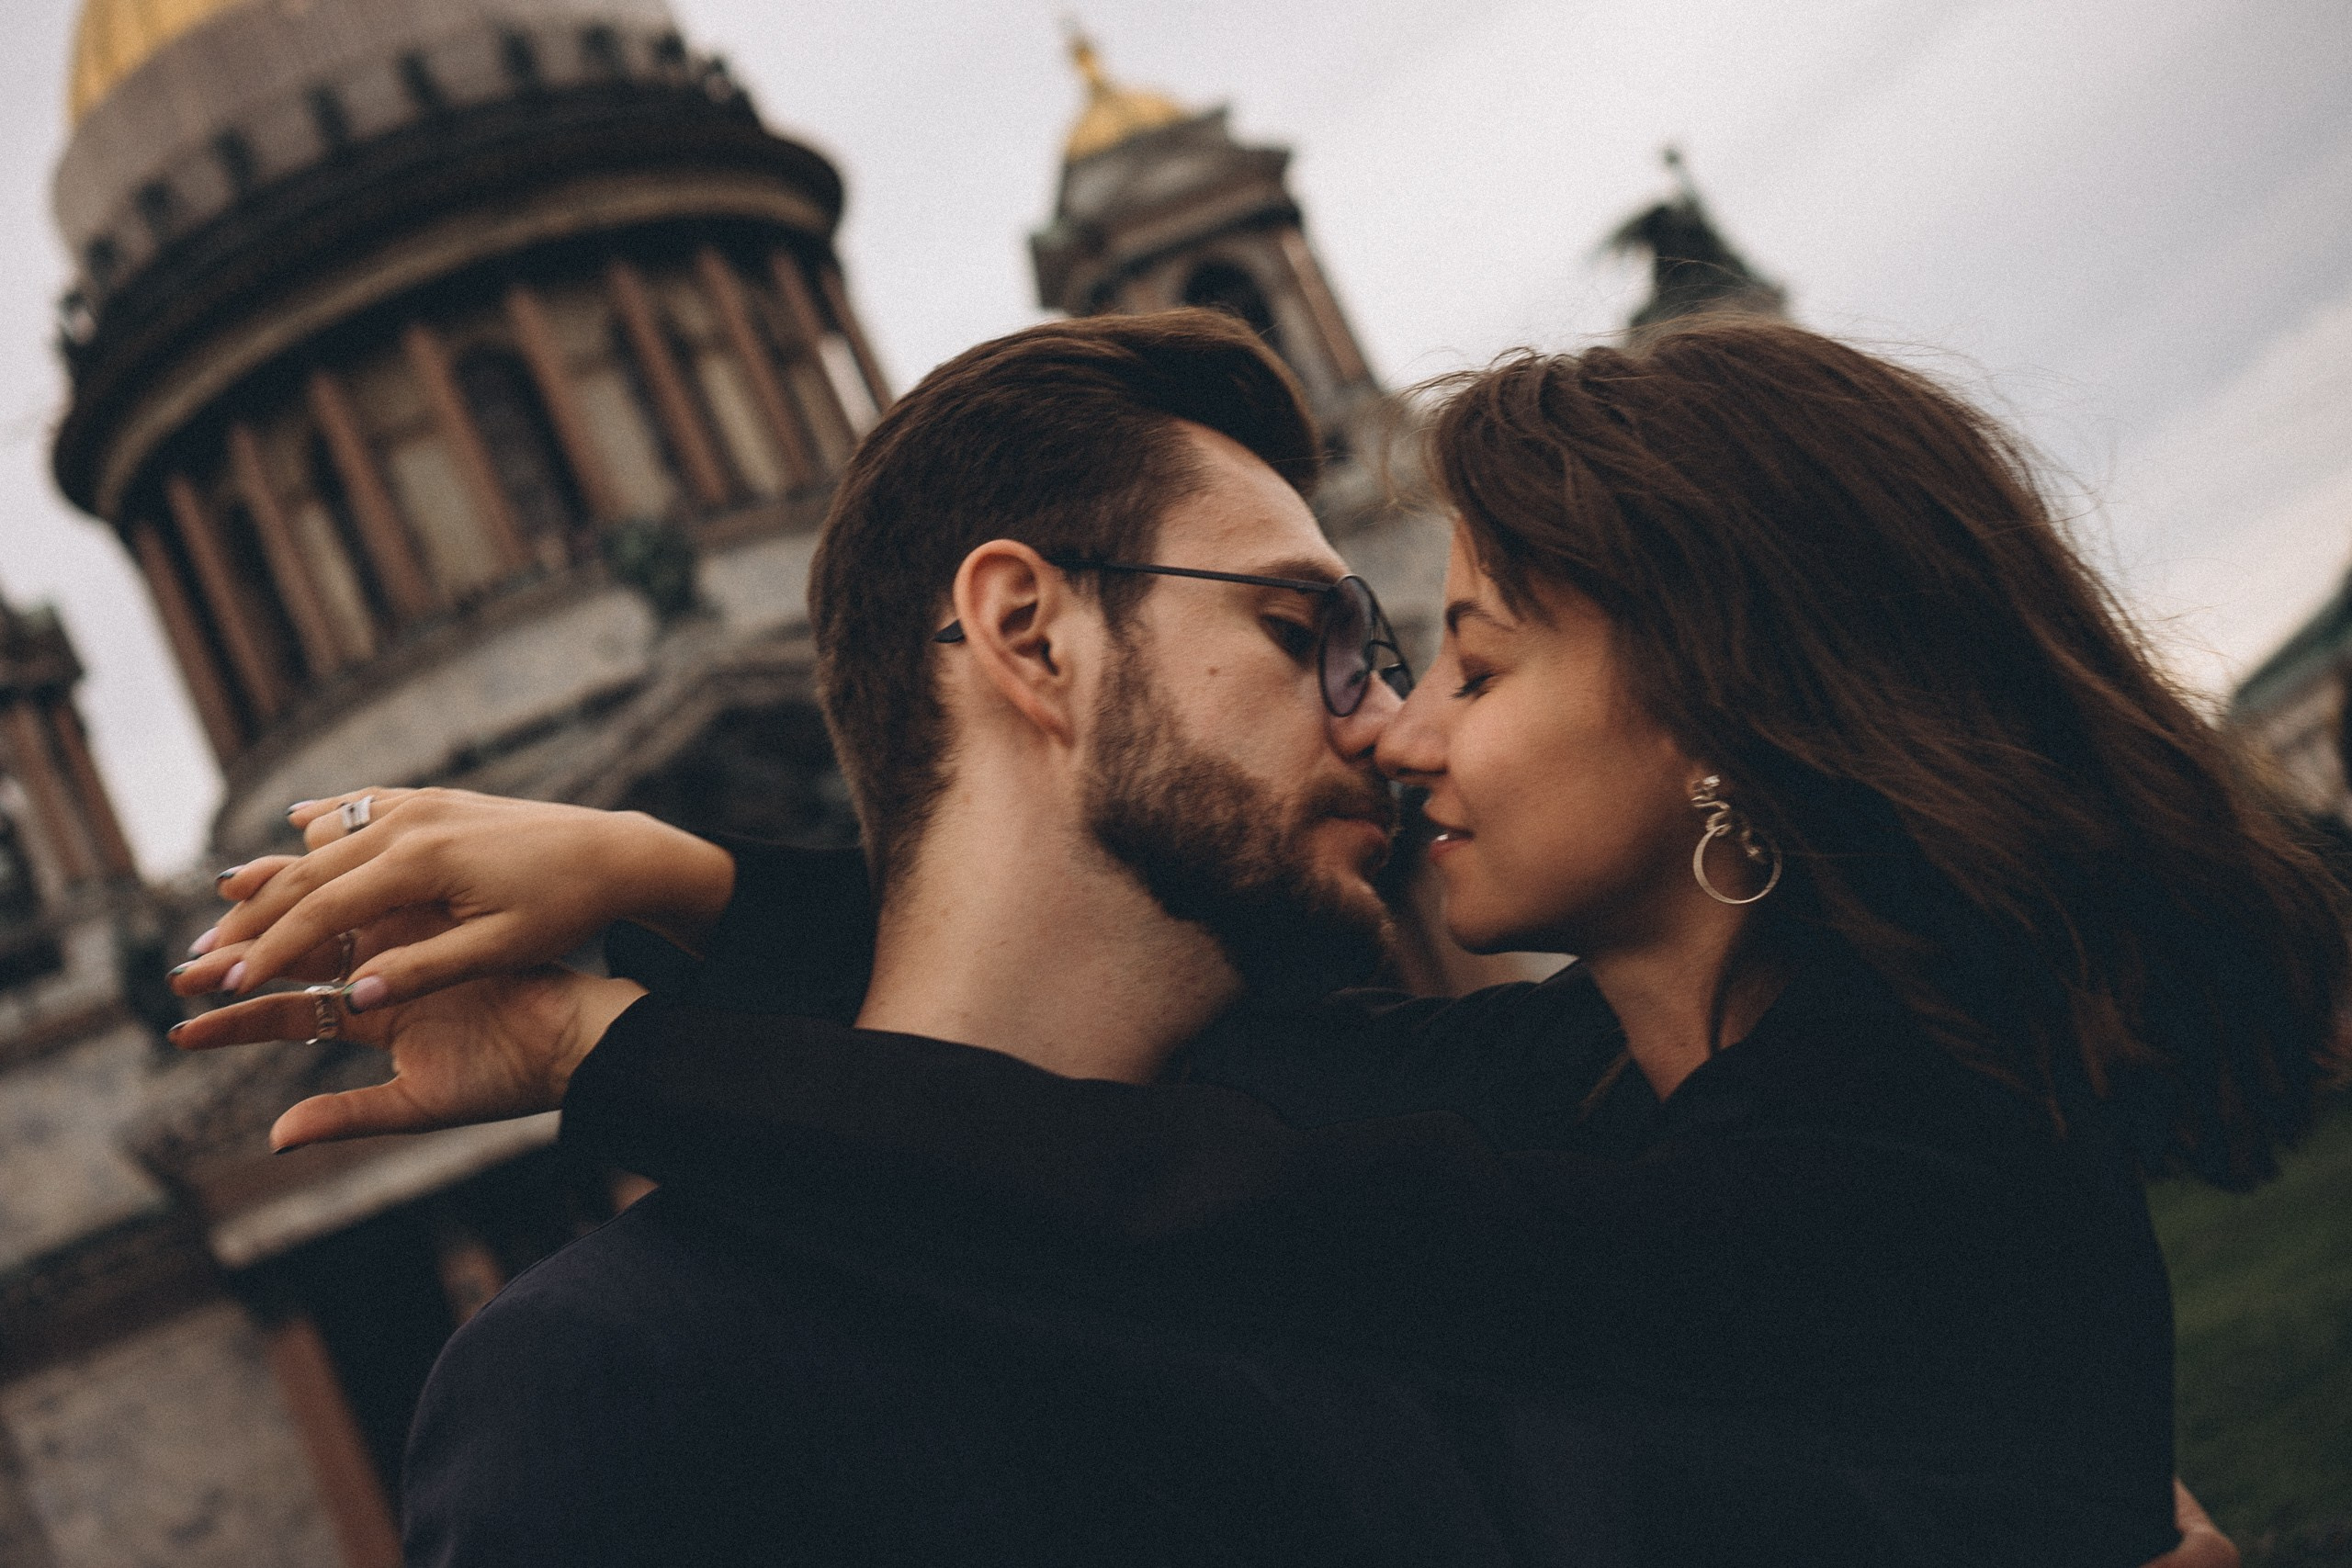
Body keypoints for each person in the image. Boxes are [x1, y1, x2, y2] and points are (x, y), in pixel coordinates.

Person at [169, 317, 2305, 1565]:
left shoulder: (1691, 1162)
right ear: (1023, 628)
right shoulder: (604, 1402)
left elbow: (1164, 1196)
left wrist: (615, 1037)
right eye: (1320, 633)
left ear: (1713, 717)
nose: (1388, 724)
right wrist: (692, 878)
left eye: (1449, 652)